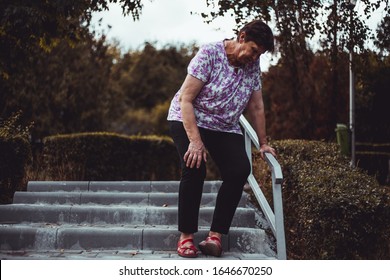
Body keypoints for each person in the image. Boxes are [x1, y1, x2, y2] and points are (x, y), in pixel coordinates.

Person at [167, 19, 276, 258]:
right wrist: (195, 142)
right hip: (189, 117)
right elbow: (186, 99)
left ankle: (215, 236)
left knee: (239, 169)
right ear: (242, 36)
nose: (255, 58)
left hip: (224, 126)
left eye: (260, 55)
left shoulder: (252, 66)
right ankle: (186, 236)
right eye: (254, 51)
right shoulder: (210, 54)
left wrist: (264, 142)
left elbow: (257, 107)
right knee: (194, 165)